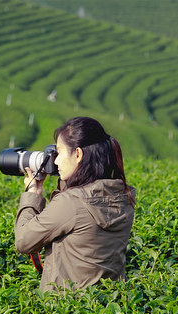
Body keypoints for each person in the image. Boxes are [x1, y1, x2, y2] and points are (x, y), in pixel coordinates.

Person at [14, 116, 136, 292]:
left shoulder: (71, 203)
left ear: (78, 154)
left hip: (68, 312)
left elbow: (24, 241)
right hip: (108, 306)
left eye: (59, 152)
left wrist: (33, 194)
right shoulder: (122, 196)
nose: (55, 161)